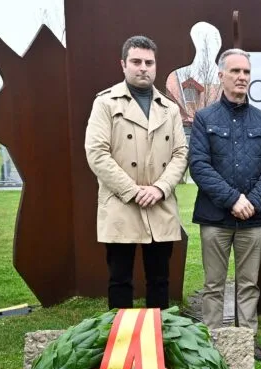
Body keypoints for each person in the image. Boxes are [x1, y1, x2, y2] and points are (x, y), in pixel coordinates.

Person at [189, 48, 261, 362]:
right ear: (221, 75)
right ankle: (211, 342)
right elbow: (199, 166)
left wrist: (252, 202)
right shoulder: (204, 119)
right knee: (213, 285)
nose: (241, 77)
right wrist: (233, 199)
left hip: (252, 220)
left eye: (246, 72)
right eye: (235, 72)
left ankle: (246, 341)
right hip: (215, 218)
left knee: (248, 284)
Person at [85, 35, 188, 310]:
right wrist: (132, 191)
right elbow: (97, 153)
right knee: (120, 280)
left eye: (149, 62)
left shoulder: (170, 109)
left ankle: (160, 342)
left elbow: (181, 153)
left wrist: (160, 188)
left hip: (160, 203)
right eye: (136, 61)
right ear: (123, 64)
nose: (143, 67)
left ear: (156, 66)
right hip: (121, 203)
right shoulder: (105, 103)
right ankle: (119, 344)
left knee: (160, 280)